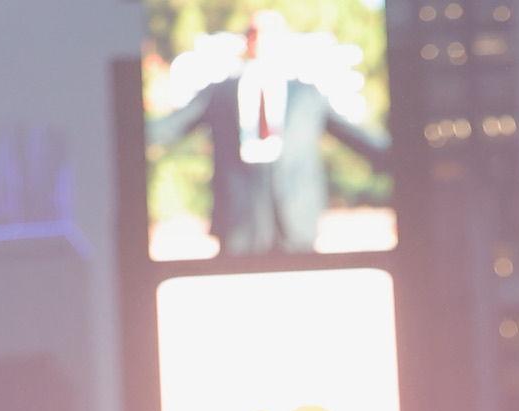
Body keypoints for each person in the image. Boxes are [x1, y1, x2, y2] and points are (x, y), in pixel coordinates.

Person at [146, 11, 391, 258]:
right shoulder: (219, 93)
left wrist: (401, 157)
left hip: (295, 221)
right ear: (246, 41)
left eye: (271, 35)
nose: (263, 41)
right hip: (239, 222)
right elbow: (168, 128)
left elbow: (354, 136)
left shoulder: (307, 95)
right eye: (255, 34)